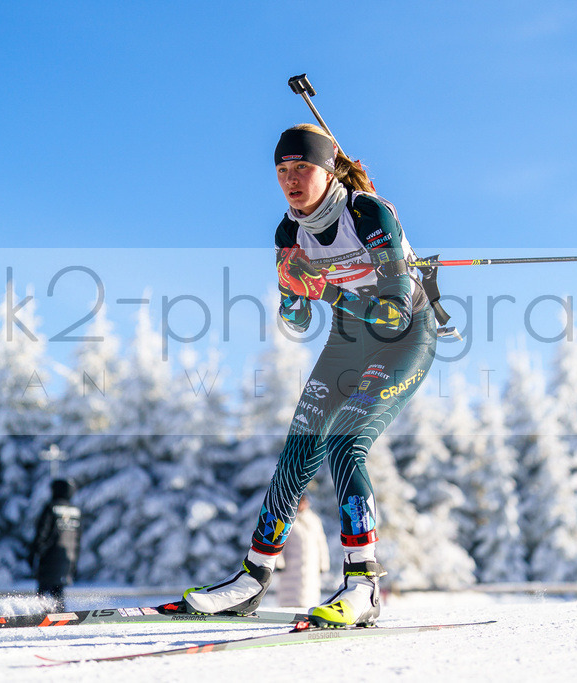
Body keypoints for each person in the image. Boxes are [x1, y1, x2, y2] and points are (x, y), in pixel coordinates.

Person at [181, 124, 437, 627]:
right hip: (348, 339)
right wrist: (291, 291)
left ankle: (363, 585)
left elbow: (394, 316)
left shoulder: (368, 214)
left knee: (345, 441)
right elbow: (295, 322)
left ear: (326, 170)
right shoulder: (287, 233)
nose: (290, 180)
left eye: (301, 168)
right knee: (300, 448)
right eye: (281, 170)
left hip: (405, 337)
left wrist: (326, 291)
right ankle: (252, 579)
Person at [29, 478, 81, 613]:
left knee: (43, 596)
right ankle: (60, 620)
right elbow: (78, 540)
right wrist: (74, 563)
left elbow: (42, 533)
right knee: (58, 595)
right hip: (68, 559)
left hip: (49, 559)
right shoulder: (75, 511)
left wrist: (33, 553)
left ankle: (45, 621)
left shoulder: (51, 507)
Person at [273, 496, 330, 607]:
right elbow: (278, 542)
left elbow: (321, 542)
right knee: (290, 595)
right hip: (290, 567)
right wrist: (279, 562)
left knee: (309, 594)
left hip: (311, 567)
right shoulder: (286, 519)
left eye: (304, 501)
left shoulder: (314, 520)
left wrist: (324, 563)